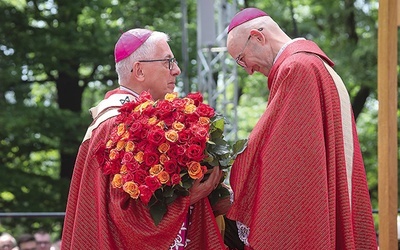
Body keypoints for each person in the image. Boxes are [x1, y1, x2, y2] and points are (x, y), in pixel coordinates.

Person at [225, 7, 378, 249]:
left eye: (241, 59)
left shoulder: (296, 68)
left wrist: (227, 175)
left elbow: (283, 158)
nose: (248, 70)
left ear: (258, 37)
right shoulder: (313, 64)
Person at [61, 28, 226, 249]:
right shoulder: (119, 123)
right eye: (168, 62)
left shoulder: (123, 120)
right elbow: (127, 218)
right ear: (139, 71)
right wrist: (189, 198)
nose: (176, 70)